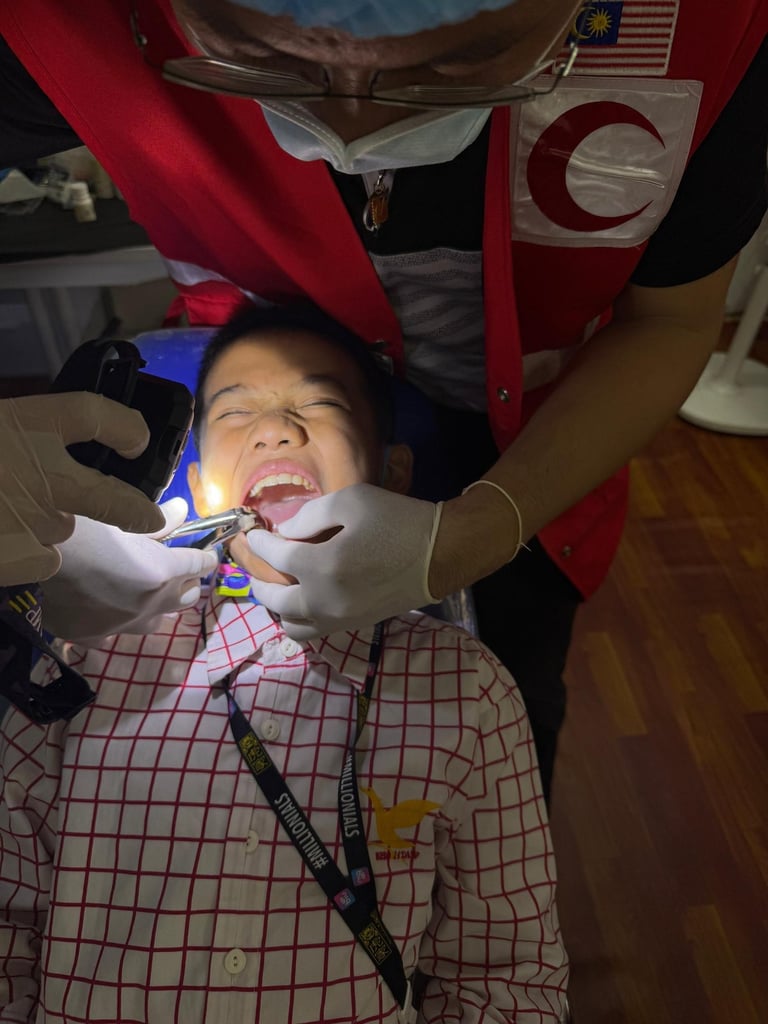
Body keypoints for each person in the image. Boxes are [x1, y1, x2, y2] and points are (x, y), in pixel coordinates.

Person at [1, 0, 766, 799]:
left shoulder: (716, 22)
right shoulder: (59, 15)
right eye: (271, 61)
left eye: (453, 65)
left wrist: (488, 526)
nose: (353, 129)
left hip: (541, 451)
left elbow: (671, 320)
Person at [0, 304, 569, 1024]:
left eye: (319, 404)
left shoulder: (468, 689)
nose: (274, 430)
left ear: (392, 473)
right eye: (236, 412)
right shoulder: (85, 658)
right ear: (199, 482)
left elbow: (508, 977)